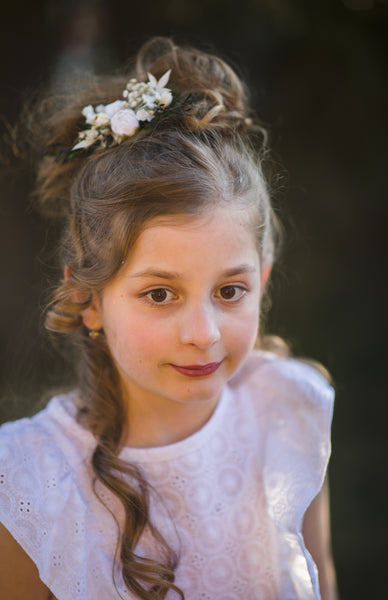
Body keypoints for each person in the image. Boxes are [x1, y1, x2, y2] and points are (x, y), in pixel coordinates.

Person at [0, 37, 338, 600]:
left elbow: (322, 575)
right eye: (160, 294)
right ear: (88, 299)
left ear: (265, 278)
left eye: (230, 290)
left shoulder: (288, 409)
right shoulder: (26, 485)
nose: (204, 333)